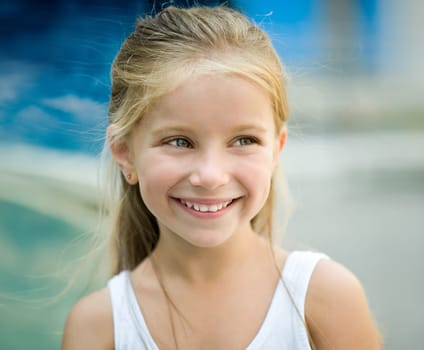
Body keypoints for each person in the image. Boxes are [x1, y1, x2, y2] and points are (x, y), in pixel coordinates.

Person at [61, 5, 381, 350]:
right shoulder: (97, 326)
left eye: (244, 140)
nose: (211, 176)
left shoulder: (325, 299)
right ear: (125, 153)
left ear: (276, 149)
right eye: (179, 141)